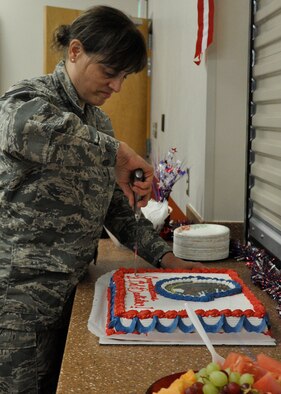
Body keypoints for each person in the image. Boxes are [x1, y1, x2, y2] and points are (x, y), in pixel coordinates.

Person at [0, 5, 202, 393]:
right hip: (20, 303)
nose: (117, 87)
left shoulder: (98, 123)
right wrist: (118, 152)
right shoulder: (29, 99)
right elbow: (24, 129)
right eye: (110, 72)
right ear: (75, 51)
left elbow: (114, 208)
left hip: (72, 293)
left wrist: (163, 256)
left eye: (124, 76)